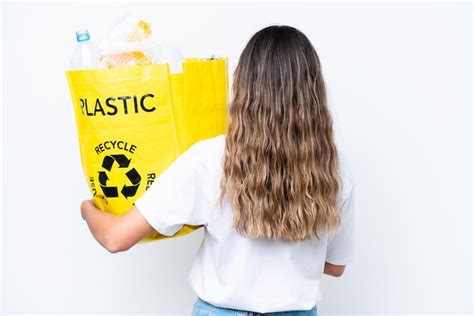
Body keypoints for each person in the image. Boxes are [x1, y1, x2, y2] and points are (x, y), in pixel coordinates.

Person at [80, 24, 355, 316]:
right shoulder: (334, 166)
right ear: (313, 90)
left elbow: (115, 237)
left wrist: (87, 208)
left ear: (244, 86)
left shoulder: (210, 159)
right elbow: (336, 266)